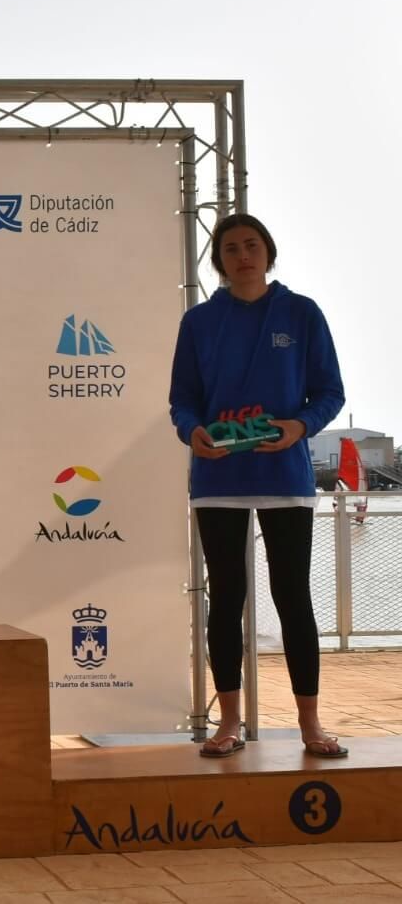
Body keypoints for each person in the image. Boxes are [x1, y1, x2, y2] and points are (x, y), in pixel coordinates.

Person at [168, 213, 347, 758]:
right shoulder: (198, 322)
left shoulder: (302, 313)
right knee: (225, 597)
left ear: (268, 252)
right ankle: (228, 722)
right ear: (219, 261)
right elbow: (182, 399)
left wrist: (300, 427)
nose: (242, 255)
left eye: (251, 245)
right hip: (218, 477)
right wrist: (192, 432)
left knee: (292, 597)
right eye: (230, 248)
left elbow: (329, 393)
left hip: (284, 475)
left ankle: (310, 724)